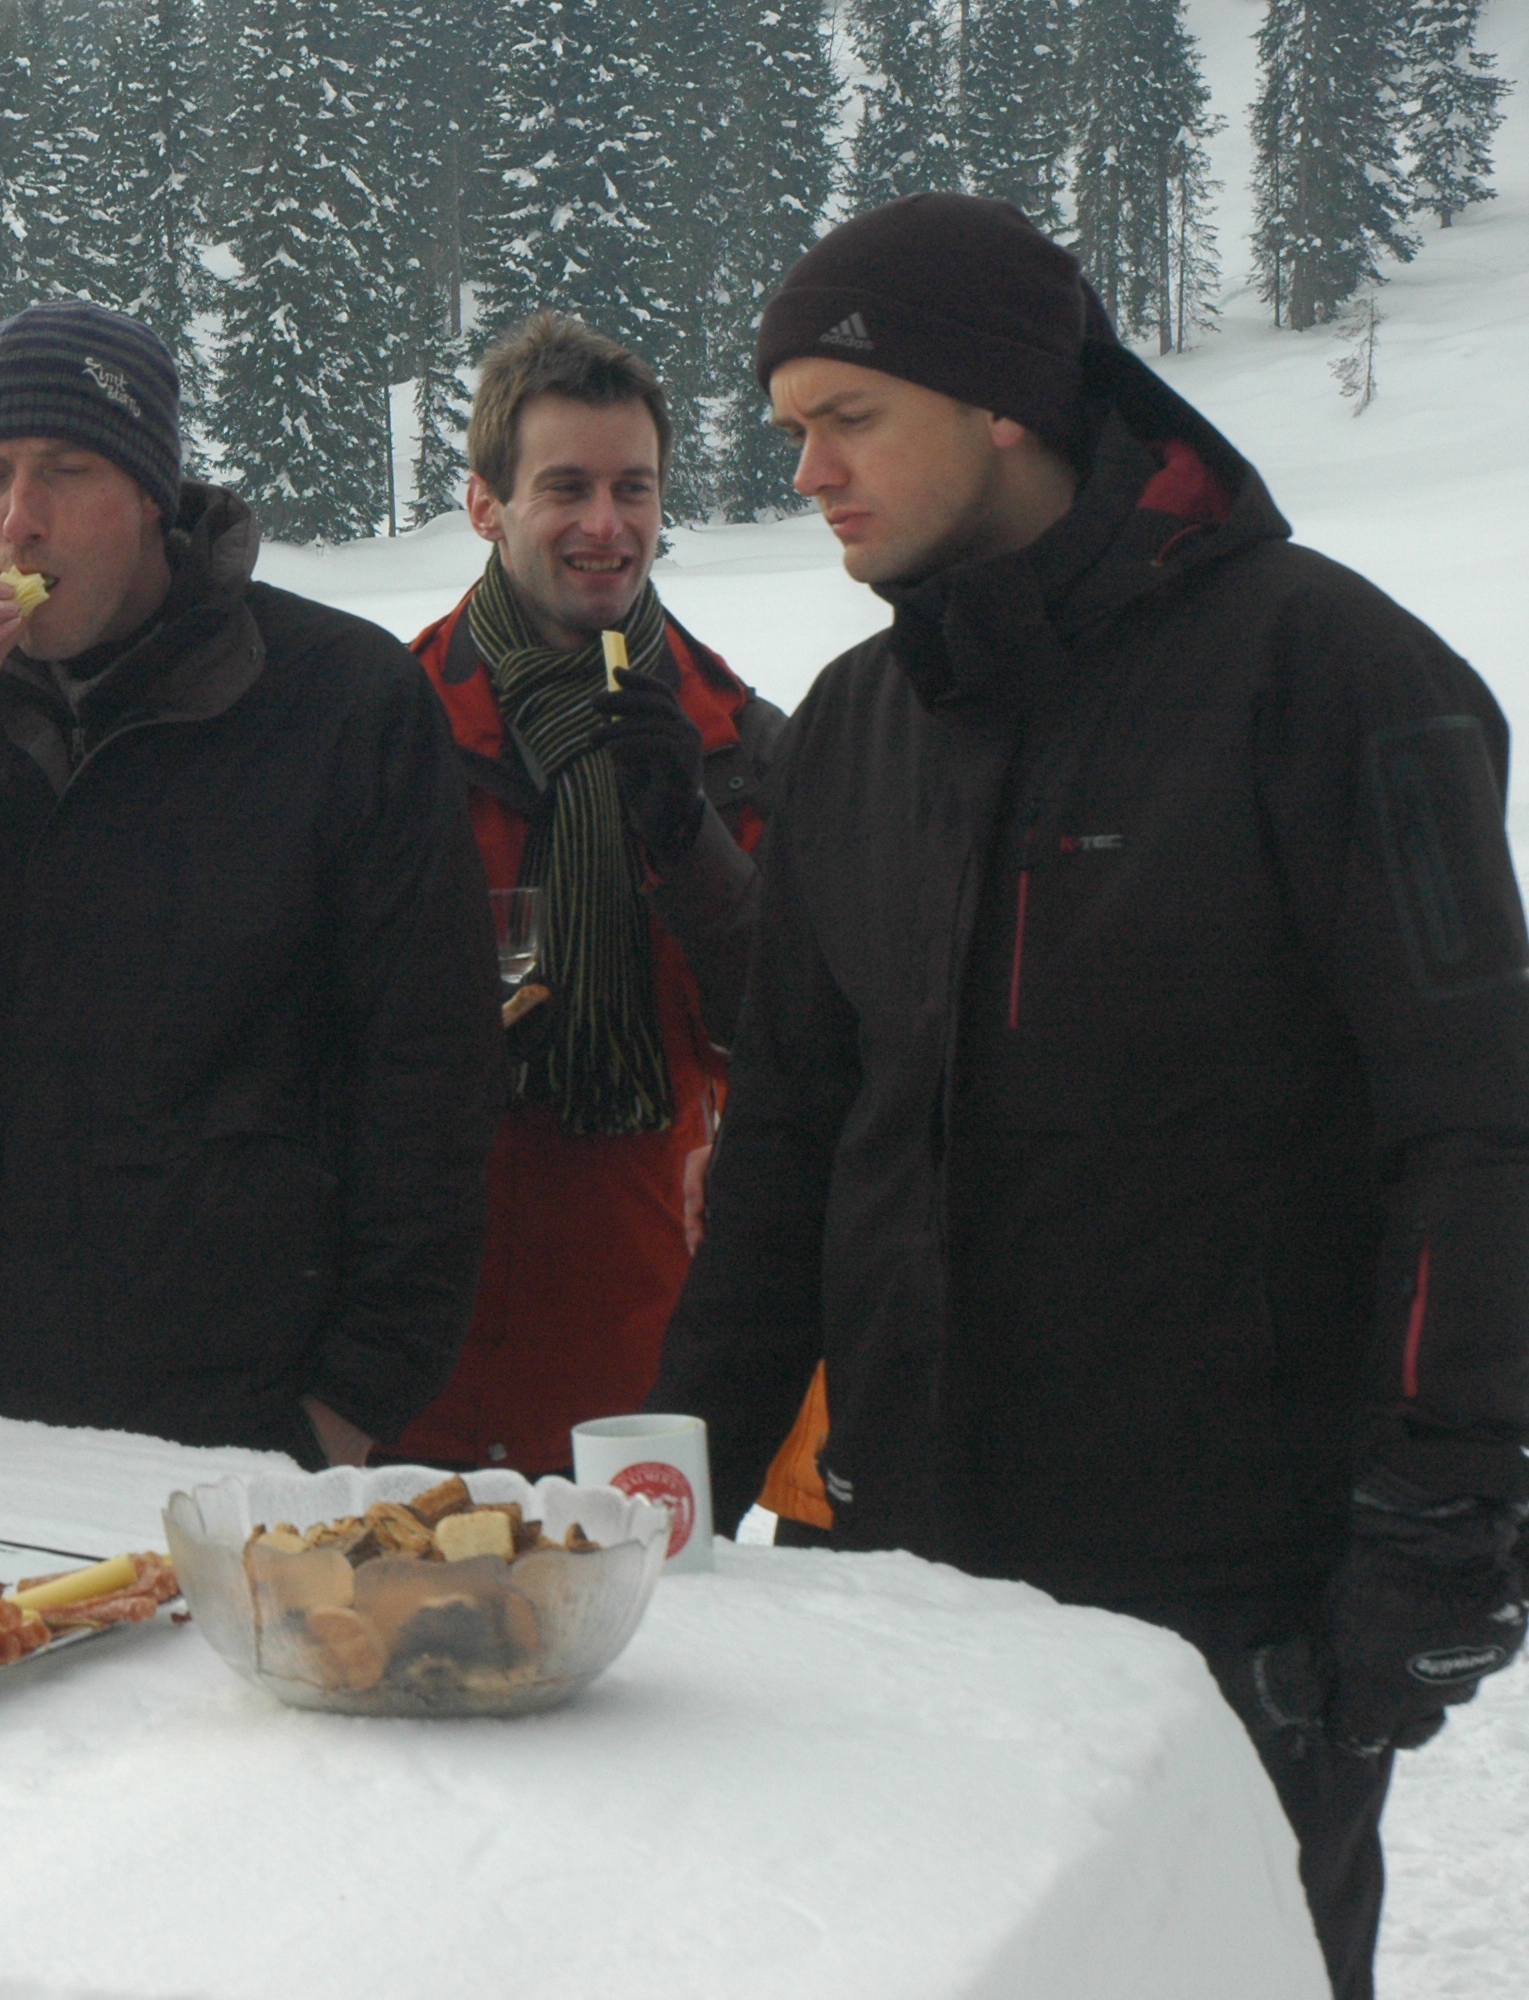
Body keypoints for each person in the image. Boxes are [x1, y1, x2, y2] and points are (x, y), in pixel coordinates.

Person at [651, 194, 1528, 1999]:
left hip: (1228, 1592)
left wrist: (1444, 1509)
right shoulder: (856, 726)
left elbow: (1475, 1126)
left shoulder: (1327, 673)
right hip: (903, 1572)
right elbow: (792, 1148)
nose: (806, 473)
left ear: (1004, 407)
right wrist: (680, 1473)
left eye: (846, 417)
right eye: (790, 428)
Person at [0, 301, 502, 1466]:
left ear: (150, 490)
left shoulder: (335, 698)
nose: (16, 520)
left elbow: (430, 1075)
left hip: (233, 1402)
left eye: (65, 469)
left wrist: (353, 1398)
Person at [384, 312, 783, 1478]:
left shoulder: (734, 740)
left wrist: (686, 839)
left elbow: (786, 1034)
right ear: (484, 504)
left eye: (632, 488)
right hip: (411, 1361)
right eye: (565, 487)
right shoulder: (389, 727)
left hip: (635, 1372)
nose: (605, 525)